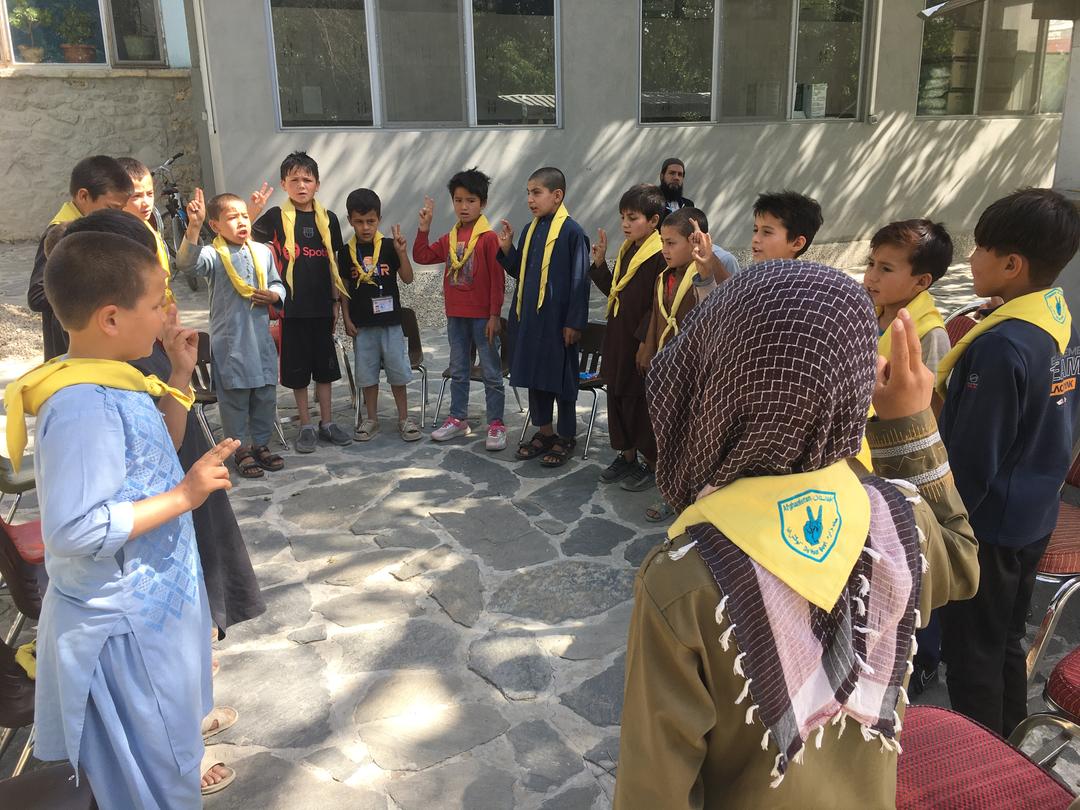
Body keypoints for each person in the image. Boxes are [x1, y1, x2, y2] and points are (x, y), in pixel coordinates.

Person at [614, 261, 979, 809]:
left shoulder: (683, 579)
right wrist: (912, 424)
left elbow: (654, 794)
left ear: (717, 384)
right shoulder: (900, 516)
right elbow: (963, 562)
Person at [5, 230, 240, 808]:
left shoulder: (116, 376)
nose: (169, 311)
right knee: (152, 780)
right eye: (159, 299)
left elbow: (151, 449)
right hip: (124, 630)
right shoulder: (81, 405)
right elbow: (76, 529)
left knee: (168, 755)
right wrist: (185, 496)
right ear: (111, 317)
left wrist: (180, 381)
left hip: (151, 614)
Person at [938, 188, 1080, 738]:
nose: (970, 260)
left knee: (972, 652)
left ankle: (980, 764)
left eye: (980, 248)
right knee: (1005, 640)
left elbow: (972, 461)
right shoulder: (1055, 319)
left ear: (1012, 264)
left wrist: (945, 534)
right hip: (1035, 515)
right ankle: (1011, 741)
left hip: (989, 529)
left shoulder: (1001, 348)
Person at [179, 188, 287, 478]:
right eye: (232, 218)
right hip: (232, 344)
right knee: (235, 399)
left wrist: (275, 296)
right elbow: (186, 264)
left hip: (260, 341)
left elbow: (279, 283)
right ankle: (239, 449)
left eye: (244, 216)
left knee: (265, 395)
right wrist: (193, 226)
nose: (241, 222)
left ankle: (261, 445)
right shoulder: (213, 254)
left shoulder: (262, 251)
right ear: (215, 226)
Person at [252, 150, 352, 452]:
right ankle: (306, 425)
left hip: (322, 308)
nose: (301, 185)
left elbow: (332, 261)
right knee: (297, 373)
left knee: (325, 369)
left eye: (307, 179)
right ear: (284, 184)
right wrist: (252, 209)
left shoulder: (329, 219)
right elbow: (246, 240)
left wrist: (336, 302)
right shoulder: (274, 218)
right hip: (291, 310)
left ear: (317, 184)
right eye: (294, 179)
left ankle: (327, 422)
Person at [496, 166, 591, 467]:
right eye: (528, 193)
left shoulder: (573, 233)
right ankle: (544, 431)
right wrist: (508, 249)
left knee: (561, 380)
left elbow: (580, 281)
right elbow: (521, 275)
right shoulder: (531, 229)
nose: (530, 200)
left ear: (557, 195)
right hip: (532, 321)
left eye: (536, 192)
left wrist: (574, 322)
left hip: (558, 323)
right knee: (536, 377)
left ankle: (565, 436)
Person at [413, 168, 507, 450]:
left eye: (471, 201)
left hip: (482, 318)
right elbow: (421, 255)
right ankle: (458, 418)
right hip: (456, 316)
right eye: (458, 200)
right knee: (458, 369)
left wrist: (493, 315)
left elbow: (497, 280)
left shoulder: (488, 239)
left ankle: (496, 424)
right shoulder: (449, 238)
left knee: (491, 371)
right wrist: (424, 227)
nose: (464, 207)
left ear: (483, 203)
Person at [639, 207, 719, 523]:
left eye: (672, 243)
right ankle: (672, 493)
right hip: (667, 368)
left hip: (695, 372)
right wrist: (648, 346)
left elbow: (718, 307)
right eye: (663, 242)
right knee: (670, 435)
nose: (665, 250)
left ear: (695, 240)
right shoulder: (664, 277)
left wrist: (706, 269)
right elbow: (658, 316)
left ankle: (688, 497)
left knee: (691, 438)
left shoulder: (709, 272)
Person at [589, 183, 667, 491]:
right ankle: (627, 455)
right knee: (617, 397)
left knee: (639, 403)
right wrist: (600, 264)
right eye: (622, 216)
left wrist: (644, 343)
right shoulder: (628, 250)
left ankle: (652, 462)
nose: (625, 223)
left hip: (639, 342)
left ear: (654, 221)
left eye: (632, 217)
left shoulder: (660, 254)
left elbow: (656, 304)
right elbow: (616, 293)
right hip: (618, 337)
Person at [28, 156, 133, 361]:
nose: (117, 216)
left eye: (121, 210)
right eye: (112, 208)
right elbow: (37, 295)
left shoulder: (93, 227)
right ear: (83, 196)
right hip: (70, 349)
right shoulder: (60, 234)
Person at [339, 188, 421, 442]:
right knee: (367, 374)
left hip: (391, 324)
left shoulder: (388, 247)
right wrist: (347, 318)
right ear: (351, 220)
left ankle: (404, 418)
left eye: (371, 221)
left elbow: (407, 279)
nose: (365, 227)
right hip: (362, 326)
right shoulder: (345, 252)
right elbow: (343, 290)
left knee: (397, 372)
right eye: (360, 222)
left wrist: (401, 252)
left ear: (379, 219)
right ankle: (371, 419)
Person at [116, 157, 177, 305]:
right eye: (136, 196)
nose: (146, 203)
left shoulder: (145, 224)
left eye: (150, 194)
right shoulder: (120, 237)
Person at [750, 190, 823, 263]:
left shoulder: (810, 274)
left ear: (797, 243)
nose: (755, 239)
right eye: (755, 230)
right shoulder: (746, 274)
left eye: (767, 232)